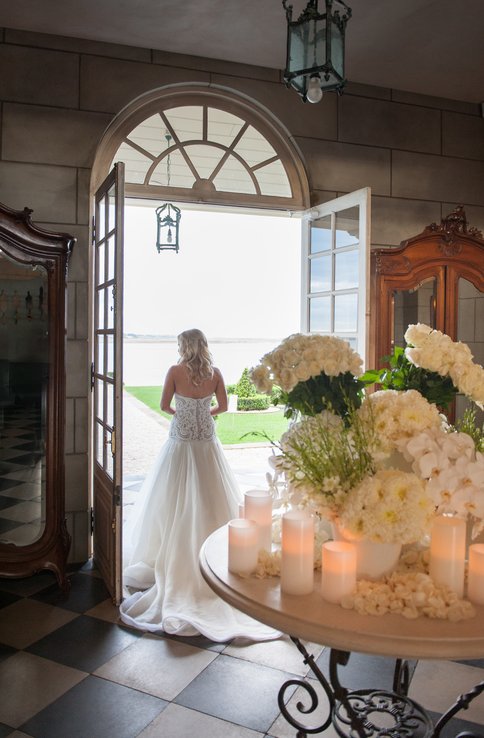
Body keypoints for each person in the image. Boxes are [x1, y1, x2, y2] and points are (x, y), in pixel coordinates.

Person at [120, 329, 278, 642]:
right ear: (203, 347)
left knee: (171, 496)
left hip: (181, 440)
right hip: (205, 439)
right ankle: (219, 552)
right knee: (212, 492)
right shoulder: (215, 373)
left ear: (184, 347)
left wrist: (183, 413)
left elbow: (165, 405)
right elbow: (224, 406)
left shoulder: (174, 372)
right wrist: (205, 413)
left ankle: (171, 553)